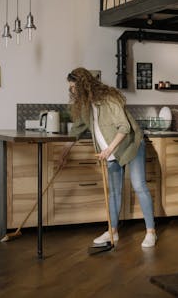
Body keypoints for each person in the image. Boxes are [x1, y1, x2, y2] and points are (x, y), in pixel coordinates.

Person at [67, 67, 157, 248]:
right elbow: (76, 130)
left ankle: (151, 232)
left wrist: (109, 149)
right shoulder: (85, 106)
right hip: (110, 152)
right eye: (70, 88)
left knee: (139, 186)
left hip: (130, 146)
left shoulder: (109, 99)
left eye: (74, 87)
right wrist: (64, 151)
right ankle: (112, 232)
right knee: (114, 192)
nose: (72, 91)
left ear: (84, 85)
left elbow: (124, 127)